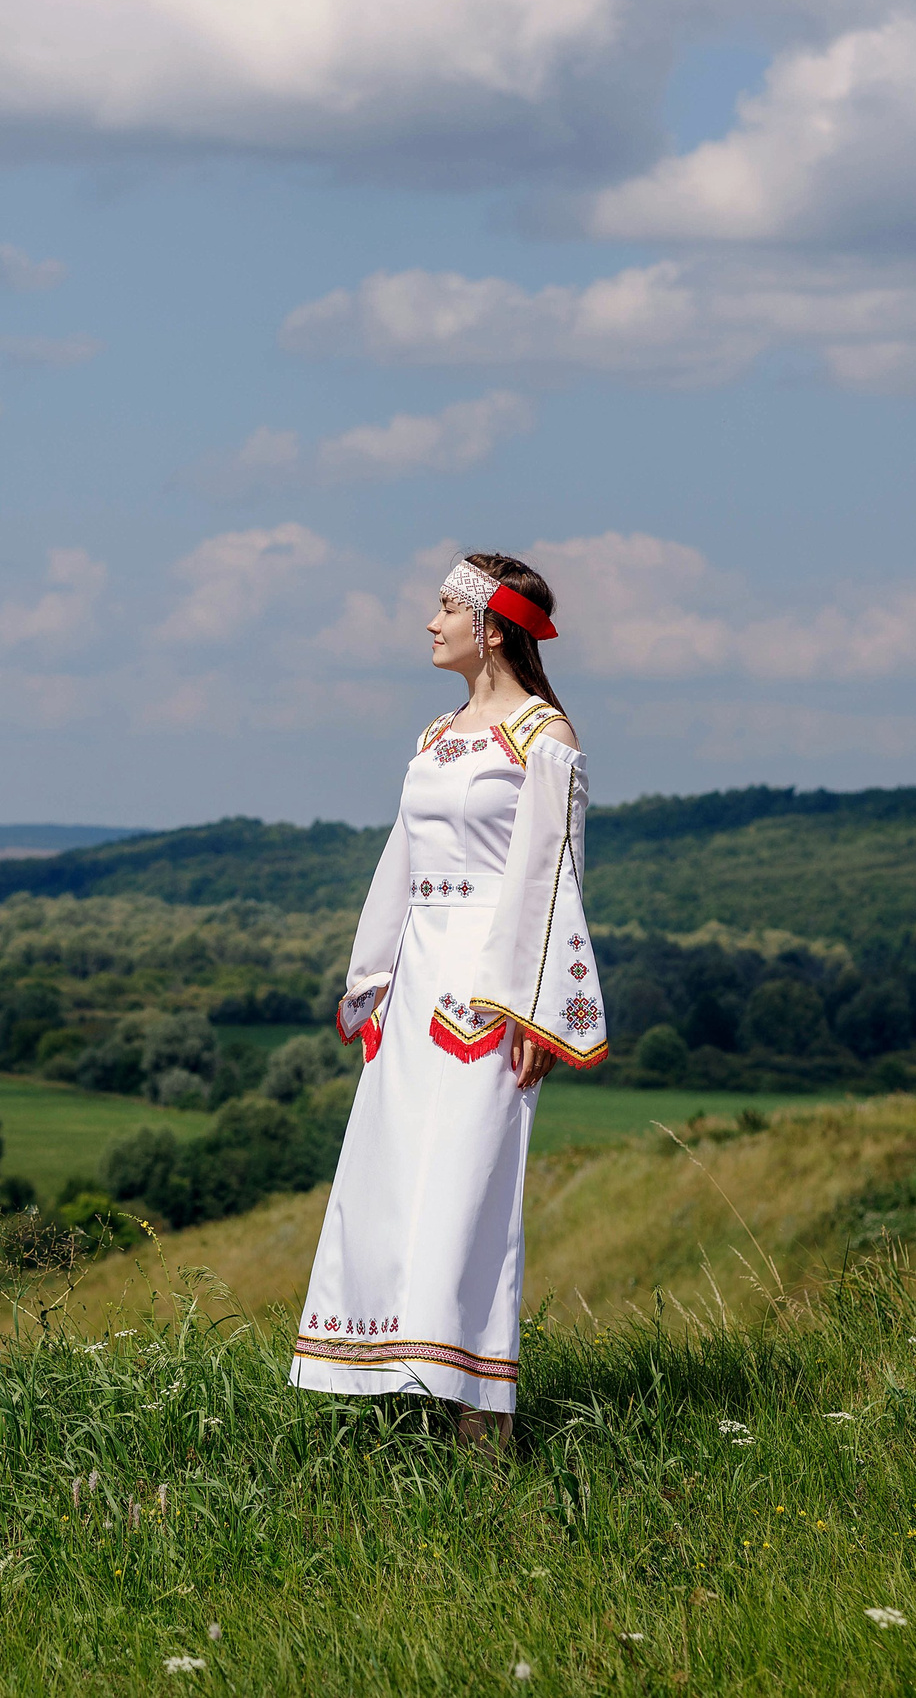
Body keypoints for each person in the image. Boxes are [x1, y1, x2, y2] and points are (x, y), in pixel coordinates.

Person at [288, 552, 609, 1445]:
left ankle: (482, 1428)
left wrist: (536, 1005)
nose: (430, 623)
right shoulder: (436, 734)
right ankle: (409, 1389)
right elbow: (403, 852)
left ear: (491, 626)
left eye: (445, 607)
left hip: (490, 992)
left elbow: (553, 874)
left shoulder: (542, 734)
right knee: (397, 1184)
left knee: (470, 1192)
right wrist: (373, 974)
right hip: (417, 983)